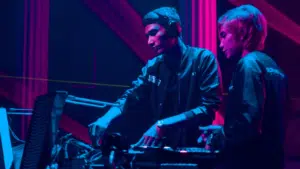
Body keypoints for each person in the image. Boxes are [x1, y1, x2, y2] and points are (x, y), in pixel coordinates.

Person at [89, 7, 222, 148]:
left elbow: (208, 108)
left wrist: (163, 125)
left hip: (195, 148)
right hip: (159, 149)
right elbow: (130, 98)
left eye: (153, 33)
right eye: (147, 36)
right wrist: (105, 119)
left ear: (174, 28)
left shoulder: (203, 59)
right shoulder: (152, 67)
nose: (149, 42)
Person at [199, 4, 289, 169]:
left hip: (249, 161)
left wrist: (221, 135)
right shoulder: (275, 67)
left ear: (243, 33)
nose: (220, 44)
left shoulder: (247, 65)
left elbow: (249, 121)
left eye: (224, 35)